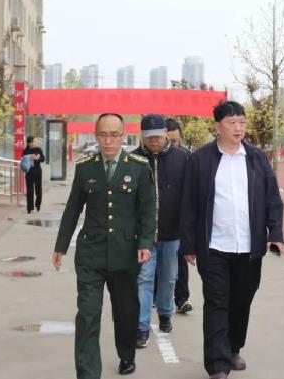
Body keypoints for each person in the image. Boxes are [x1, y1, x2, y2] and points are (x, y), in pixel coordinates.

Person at [180, 100, 284, 379]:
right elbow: (189, 204)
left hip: (249, 248)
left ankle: (233, 347)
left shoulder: (257, 158)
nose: (238, 128)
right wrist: (188, 243)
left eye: (242, 122)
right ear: (218, 126)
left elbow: (272, 199)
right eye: (232, 122)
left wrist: (275, 233)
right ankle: (217, 364)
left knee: (242, 300)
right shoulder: (200, 159)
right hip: (213, 246)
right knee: (217, 301)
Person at [53, 113, 156, 379]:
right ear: (95, 135)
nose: (108, 141)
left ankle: (126, 354)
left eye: (114, 135)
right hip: (91, 254)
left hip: (126, 254)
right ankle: (88, 373)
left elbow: (148, 210)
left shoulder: (139, 167)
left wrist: (146, 242)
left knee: (125, 313)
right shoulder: (86, 168)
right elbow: (73, 209)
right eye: (103, 135)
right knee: (87, 314)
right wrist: (61, 245)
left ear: (123, 136)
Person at [132, 114, 191, 348]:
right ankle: (141, 327)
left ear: (166, 133)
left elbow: (190, 197)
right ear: (142, 136)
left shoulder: (183, 158)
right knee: (144, 279)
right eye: (149, 138)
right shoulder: (134, 159)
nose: (154, 141)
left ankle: (165, 313)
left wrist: (189, 230)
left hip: (171, 233)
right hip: (143, 236)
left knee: (168, 278)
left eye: (157, 136)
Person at [165, 118, 194, 314]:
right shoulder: (153, 158)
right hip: (160, 220)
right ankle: (158, 296)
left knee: (181, 260)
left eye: (176, 141)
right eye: (169, 140)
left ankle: (181, 299)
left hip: (181, 219)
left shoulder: (187, 157)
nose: (173, 145)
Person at [22, 136, 45, 214]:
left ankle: (38, 205)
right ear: (30, 143)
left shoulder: (39, 149)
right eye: (34, 141)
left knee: (38, 190)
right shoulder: (25, 151)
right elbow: (23, 161)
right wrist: (30, 157)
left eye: (36, 141)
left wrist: (38, 158)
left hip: (38, 172)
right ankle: (29, 207)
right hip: (29, 173)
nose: (36, 142)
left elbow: (43, 159)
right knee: (29, 191)